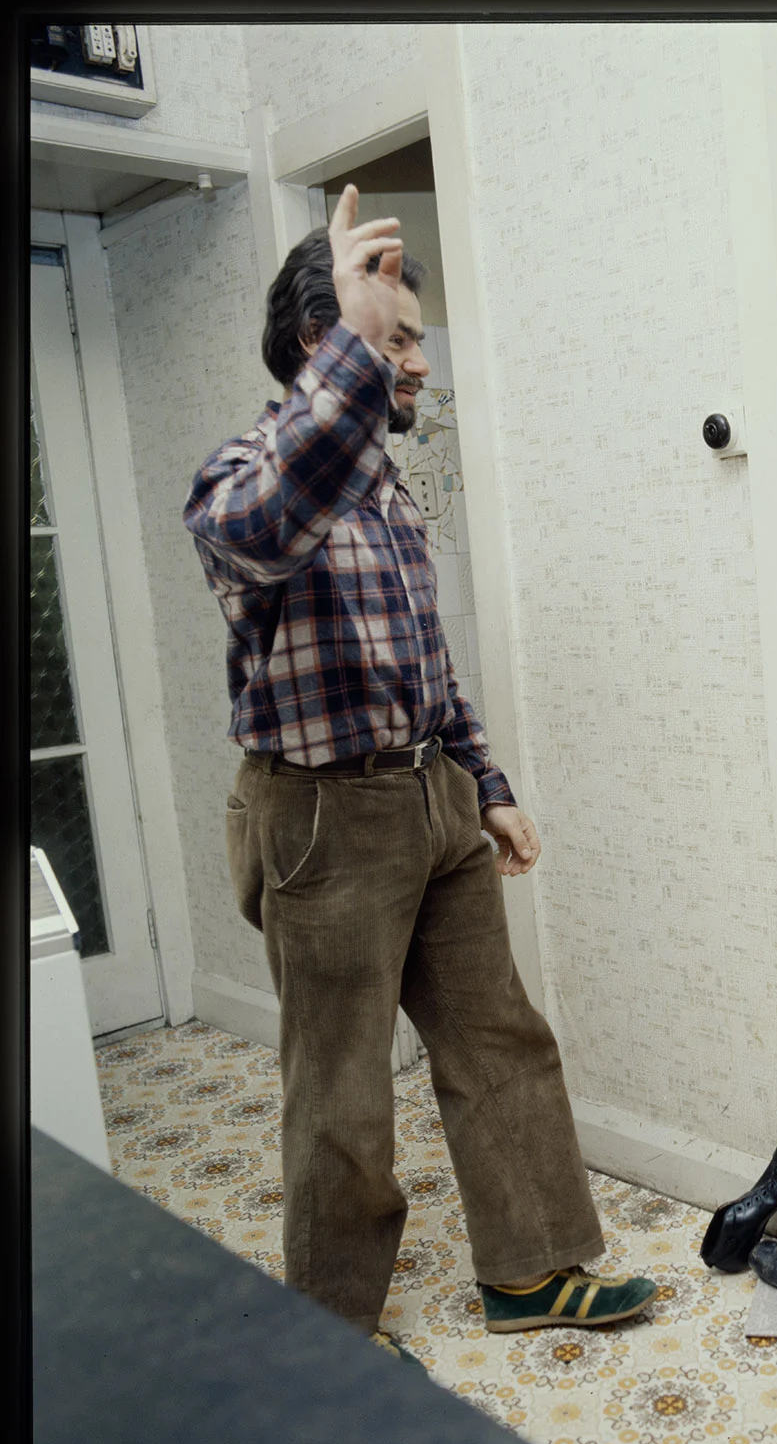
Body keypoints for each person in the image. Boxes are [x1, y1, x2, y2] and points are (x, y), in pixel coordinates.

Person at [185, 186, 656, 1363]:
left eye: (412, 343)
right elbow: (268, 523)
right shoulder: (244, 471)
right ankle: (333, 1331)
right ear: (323, 343)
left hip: (431, 796)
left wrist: (484, 781)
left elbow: (425, 655)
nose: (417, 364)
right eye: (396, 340)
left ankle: (532, 1270)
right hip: (320, 821)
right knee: (341, 1092)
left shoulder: (390, 488)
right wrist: (356, 335)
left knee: (500, 1038)